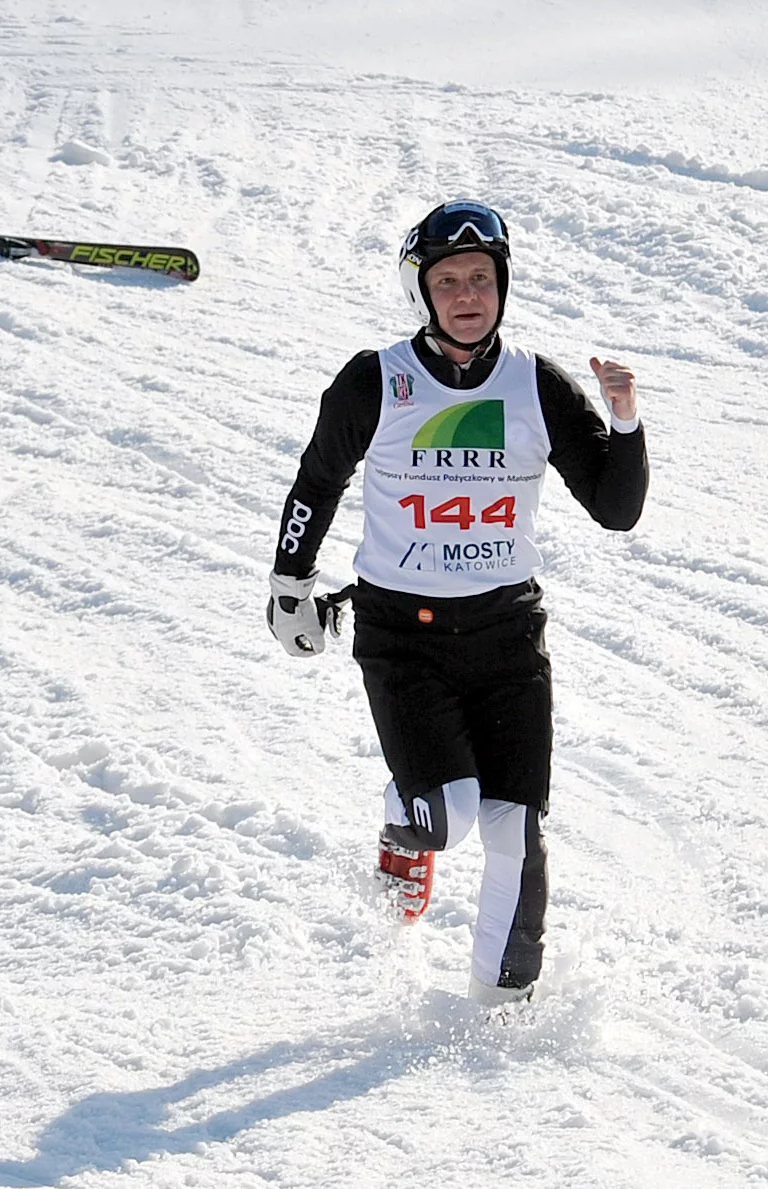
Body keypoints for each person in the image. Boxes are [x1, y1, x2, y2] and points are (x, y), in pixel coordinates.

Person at [267, 199, 649, 1005]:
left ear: (501, 286)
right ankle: (407, 829)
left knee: (513, 829)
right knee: (448, 814)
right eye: (449, 282)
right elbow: (317, 480)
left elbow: (615, 508)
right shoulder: (376, 379)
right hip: (403, 636)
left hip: (508, 636)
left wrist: (624, 419)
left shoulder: (534, 384)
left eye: (482, 278)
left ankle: (498, 1011)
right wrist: (289, 583)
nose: (468, 295)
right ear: (422, 293)